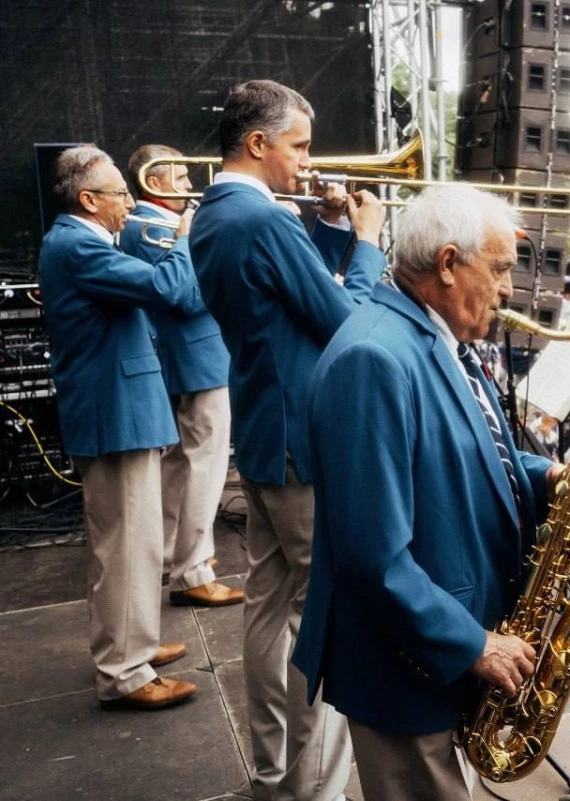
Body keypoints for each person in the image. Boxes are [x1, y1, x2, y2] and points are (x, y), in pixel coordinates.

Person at [293, 185, 570, 801]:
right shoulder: (373, 358)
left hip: (431, 651)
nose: (510, 290)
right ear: (447, 262)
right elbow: (370, 556)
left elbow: (471, 447)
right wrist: (474, 644)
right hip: (407, 666)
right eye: (500, 269)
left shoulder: (432, 336)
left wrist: (547, 477)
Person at [188, 80, 387, 801]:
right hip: (302, 441)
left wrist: (330, 232)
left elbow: (284, 299)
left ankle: (275, 778)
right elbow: (345, 320)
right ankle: (316, 790)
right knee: (320, 621)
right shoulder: (264, 219)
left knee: (268, 614)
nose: (308, 163)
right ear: (259, 143)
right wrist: (366, 241)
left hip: (266, 435)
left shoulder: (215, 213)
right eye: (299, 147)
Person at [39, 146, 204, 710]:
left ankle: (135, 643)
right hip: (115, 414)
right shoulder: (78, 243)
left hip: (123, 408)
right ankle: (124, 673)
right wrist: (185, 237)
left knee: (136, 543)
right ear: (89, 200)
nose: (130, 203)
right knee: (127, 547)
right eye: (120, 194)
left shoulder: (78, 239)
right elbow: (168, 290)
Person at [121, 144, 243, 608]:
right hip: (197, 358)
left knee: (181, 467)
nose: (190, 186)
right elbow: (185, 298)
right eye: (179, 177)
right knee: (204, 468)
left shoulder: (155, 224)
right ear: (154, 181)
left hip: (191, 358)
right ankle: (191, 570)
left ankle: (177, 556)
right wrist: (193, 237)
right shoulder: (154, 227)